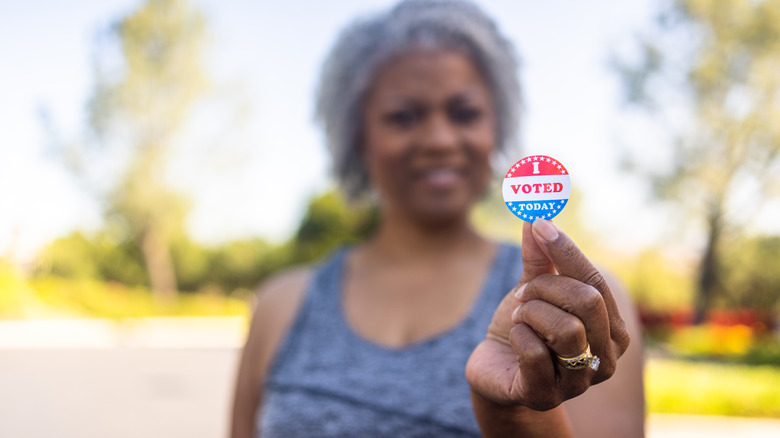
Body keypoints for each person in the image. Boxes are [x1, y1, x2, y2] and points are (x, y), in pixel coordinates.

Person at [230, 0, 645, 436]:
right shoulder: (281, 306)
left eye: (464, 113)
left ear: (496, 128)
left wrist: (510, 414)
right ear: (357, 136)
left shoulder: (579, 307)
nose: (439, 139)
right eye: (403, 117)